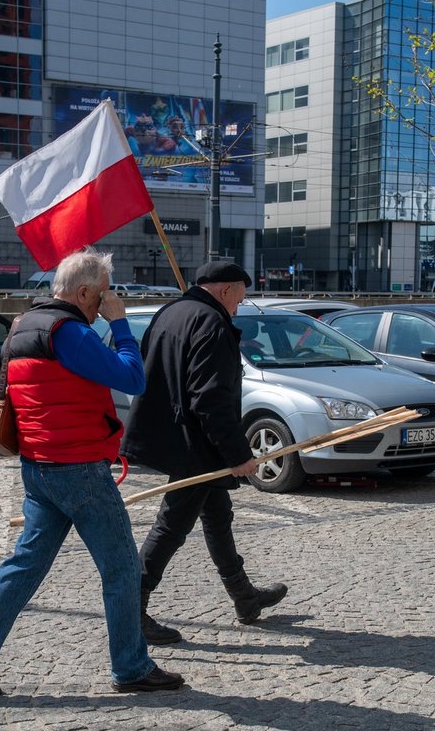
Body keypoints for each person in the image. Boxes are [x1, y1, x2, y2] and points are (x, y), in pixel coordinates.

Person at [0, 247, 185, 698]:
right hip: (78, 467)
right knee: (122, 569)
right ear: (84, 291)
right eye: (102, 297)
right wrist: (118, 323)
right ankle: (131, 667)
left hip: (38, 466)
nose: (102, 305)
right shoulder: (69, 332)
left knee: (23, 565)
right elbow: (133, 378)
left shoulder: (20, 327)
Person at [121, 261, 288, 645]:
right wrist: (237, 455)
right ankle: (132, 608)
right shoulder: (210, 323)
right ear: (226, 290)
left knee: (217, 515)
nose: (237, 308)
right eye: (238, 300)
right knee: (171, 525)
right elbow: (210, 398)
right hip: (195, 443)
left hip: (178, 435)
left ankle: (245, 597)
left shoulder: (172, 312)